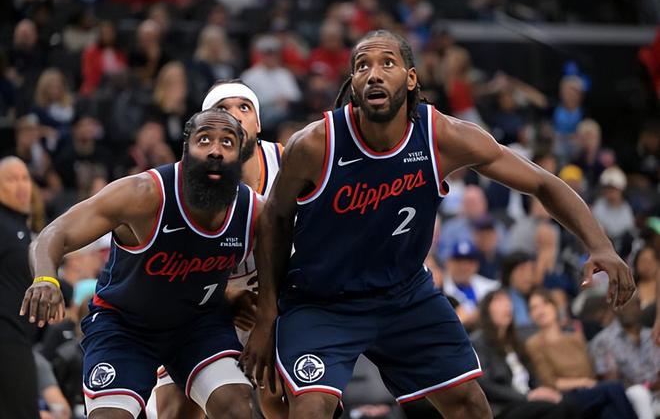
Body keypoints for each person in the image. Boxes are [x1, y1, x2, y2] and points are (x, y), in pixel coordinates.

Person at [242, 29, 634, 419]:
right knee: (309, 409)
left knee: (470, 404)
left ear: (411, 78)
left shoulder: (442, 136)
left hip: (403, 294)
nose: (373, 74)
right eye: (362, 66)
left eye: (387, 63)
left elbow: (543, 183)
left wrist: (600, 245)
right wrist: (267, 315)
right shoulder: (315, 144)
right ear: (353, 83)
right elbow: (274, 219)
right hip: (323, 299)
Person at [20, 109, 257, 419]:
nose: (215, 150)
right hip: (125, 326)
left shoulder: (253, 210)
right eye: (204, 140)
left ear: (241, 155)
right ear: (185, 149)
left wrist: (252, 310)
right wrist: (45, 279)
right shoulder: (142, 194)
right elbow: (54, 233)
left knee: (237, 408)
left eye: (227, 142)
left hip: (198, 326)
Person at [152, 80, 286, 419]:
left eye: (244, 107)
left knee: (281, 395)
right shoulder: (186, 181)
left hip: (276, 302)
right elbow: (167, 269)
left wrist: (269, 311)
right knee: (175, 411)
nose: (235, 115)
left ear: (258, 123)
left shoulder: (288, 161)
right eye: (223, 109)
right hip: (205, 304)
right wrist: (225, 294)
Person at [526, 289, 637, 419]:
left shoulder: (574, 338)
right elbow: (550, 382)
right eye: (534, 308)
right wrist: (583, 382)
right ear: (531, 316)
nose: (540, 310)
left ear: (554, 306)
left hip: (591, 390)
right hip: (565, 395)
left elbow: (591, 369)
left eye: (545, 303)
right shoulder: (534, 343)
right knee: (613, 388)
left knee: (609, 411)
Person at [471, 290, 576, 419]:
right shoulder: (478, 342)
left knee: (567, 404)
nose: (507, 305)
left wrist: (542, 391)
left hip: (527, 401)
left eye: (508, 301)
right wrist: (527, 396)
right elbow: (486, 386)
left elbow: (533, 377)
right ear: (486, 310)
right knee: (555, 409)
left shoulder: (515, 341)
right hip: (504, 407)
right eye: (499, 301)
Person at [0, 156, 39, 419]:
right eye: (12, 179)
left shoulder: (18, 226)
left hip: (19, 336)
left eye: (25, 178)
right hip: (7, 338)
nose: (21, 185)